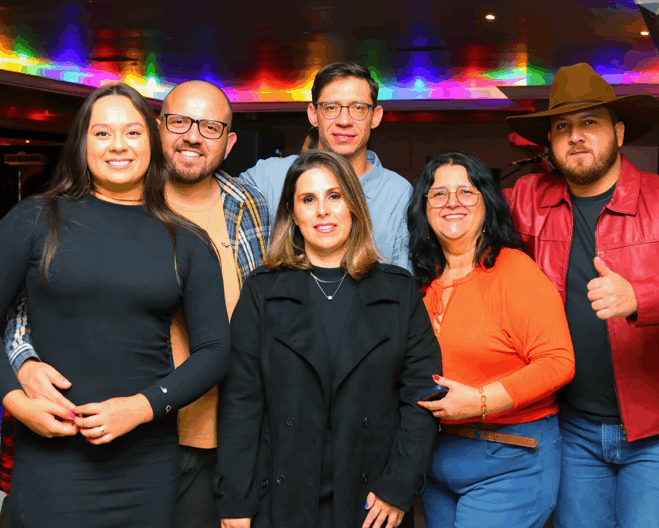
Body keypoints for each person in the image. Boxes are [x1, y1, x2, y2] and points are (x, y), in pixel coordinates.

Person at [3, 80, 270, 528]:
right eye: (102, 133)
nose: (118, 145)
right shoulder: (35, 220)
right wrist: (15, 398)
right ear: (82, 142)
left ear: (151, 142)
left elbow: (215, 350)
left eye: (132, 132)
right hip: (51, 453)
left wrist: (139, 408)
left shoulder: (186, 240)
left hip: (146, 460)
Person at [504, 62, 659, 527]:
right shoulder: (527, 201)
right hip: (570, 427)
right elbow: (464, 219)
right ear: (550, 142)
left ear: (618, 132)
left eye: (590, 122)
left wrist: (640, 296)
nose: (575, 136)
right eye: (562, 127)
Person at [215, 149, 441, 528]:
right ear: (293, 213)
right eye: (308, 199)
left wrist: (399, 486)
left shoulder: (398, 291)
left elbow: (422, 397)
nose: (322, 210)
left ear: (353, 205)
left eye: (334, 196)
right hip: (283, 497)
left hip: (373, 501)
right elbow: (240, 403)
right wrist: (236, 501)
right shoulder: (262, 291)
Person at [407, 152, 575, 527]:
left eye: (466, 192)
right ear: (424, 207)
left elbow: (558, 361)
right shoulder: (423, 278)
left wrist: (481, 401)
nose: (452, 202)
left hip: (509, 458)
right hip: (436, 460)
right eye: (439, 193)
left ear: (487, 202)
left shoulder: (514, 270)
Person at [240, 62, 412, 269]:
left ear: (375, 116)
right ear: (313, 114)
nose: (344, 121)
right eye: (331, 107)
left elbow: (404, 279)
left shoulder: (398, 192)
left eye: (358, 108)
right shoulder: (268, 176)